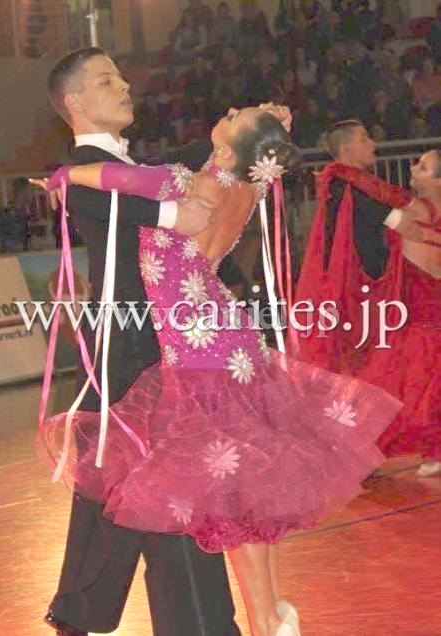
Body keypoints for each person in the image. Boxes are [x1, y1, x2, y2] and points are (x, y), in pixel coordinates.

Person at [37, 107, 403, 636]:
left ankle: (265, 619)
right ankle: (272, 612)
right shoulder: (247, 186)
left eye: (233, 117)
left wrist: (65, 174)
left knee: (234, 497)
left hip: (199, 349)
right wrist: (263, 129)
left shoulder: (189, 184)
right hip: (228, 340)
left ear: (229, 149)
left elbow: (118, 176)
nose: (225, 112)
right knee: (251, 488)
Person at [38, 47, 241, 636]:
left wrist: (227, 149)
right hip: (129, 340)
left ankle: (82, 608)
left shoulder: (122, 169)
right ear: (75, 102)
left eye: (122, 77)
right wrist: (183, 202)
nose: (124, 86)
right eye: (107, 80)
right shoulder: (85, 175)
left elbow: (188, 197)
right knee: (168, 483)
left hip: (149, 335)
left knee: (116, 479)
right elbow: (178, 213)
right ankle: (197, 625)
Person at [295, 120, 438, 375]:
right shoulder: (338, 181)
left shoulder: (367, 186)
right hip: (351, 286)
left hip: (377, 287)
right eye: (364, 138)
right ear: (346, 149)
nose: (373, 144)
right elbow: (355, 199)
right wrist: (392, 217)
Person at [359, 151, 441, 477]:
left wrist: (339, 170)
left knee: (405, 383)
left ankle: (369, 451)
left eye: (422, 167)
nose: (412, 167)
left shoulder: (421, 207)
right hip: (422, 309)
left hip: (421, 311)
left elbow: (376, 192)